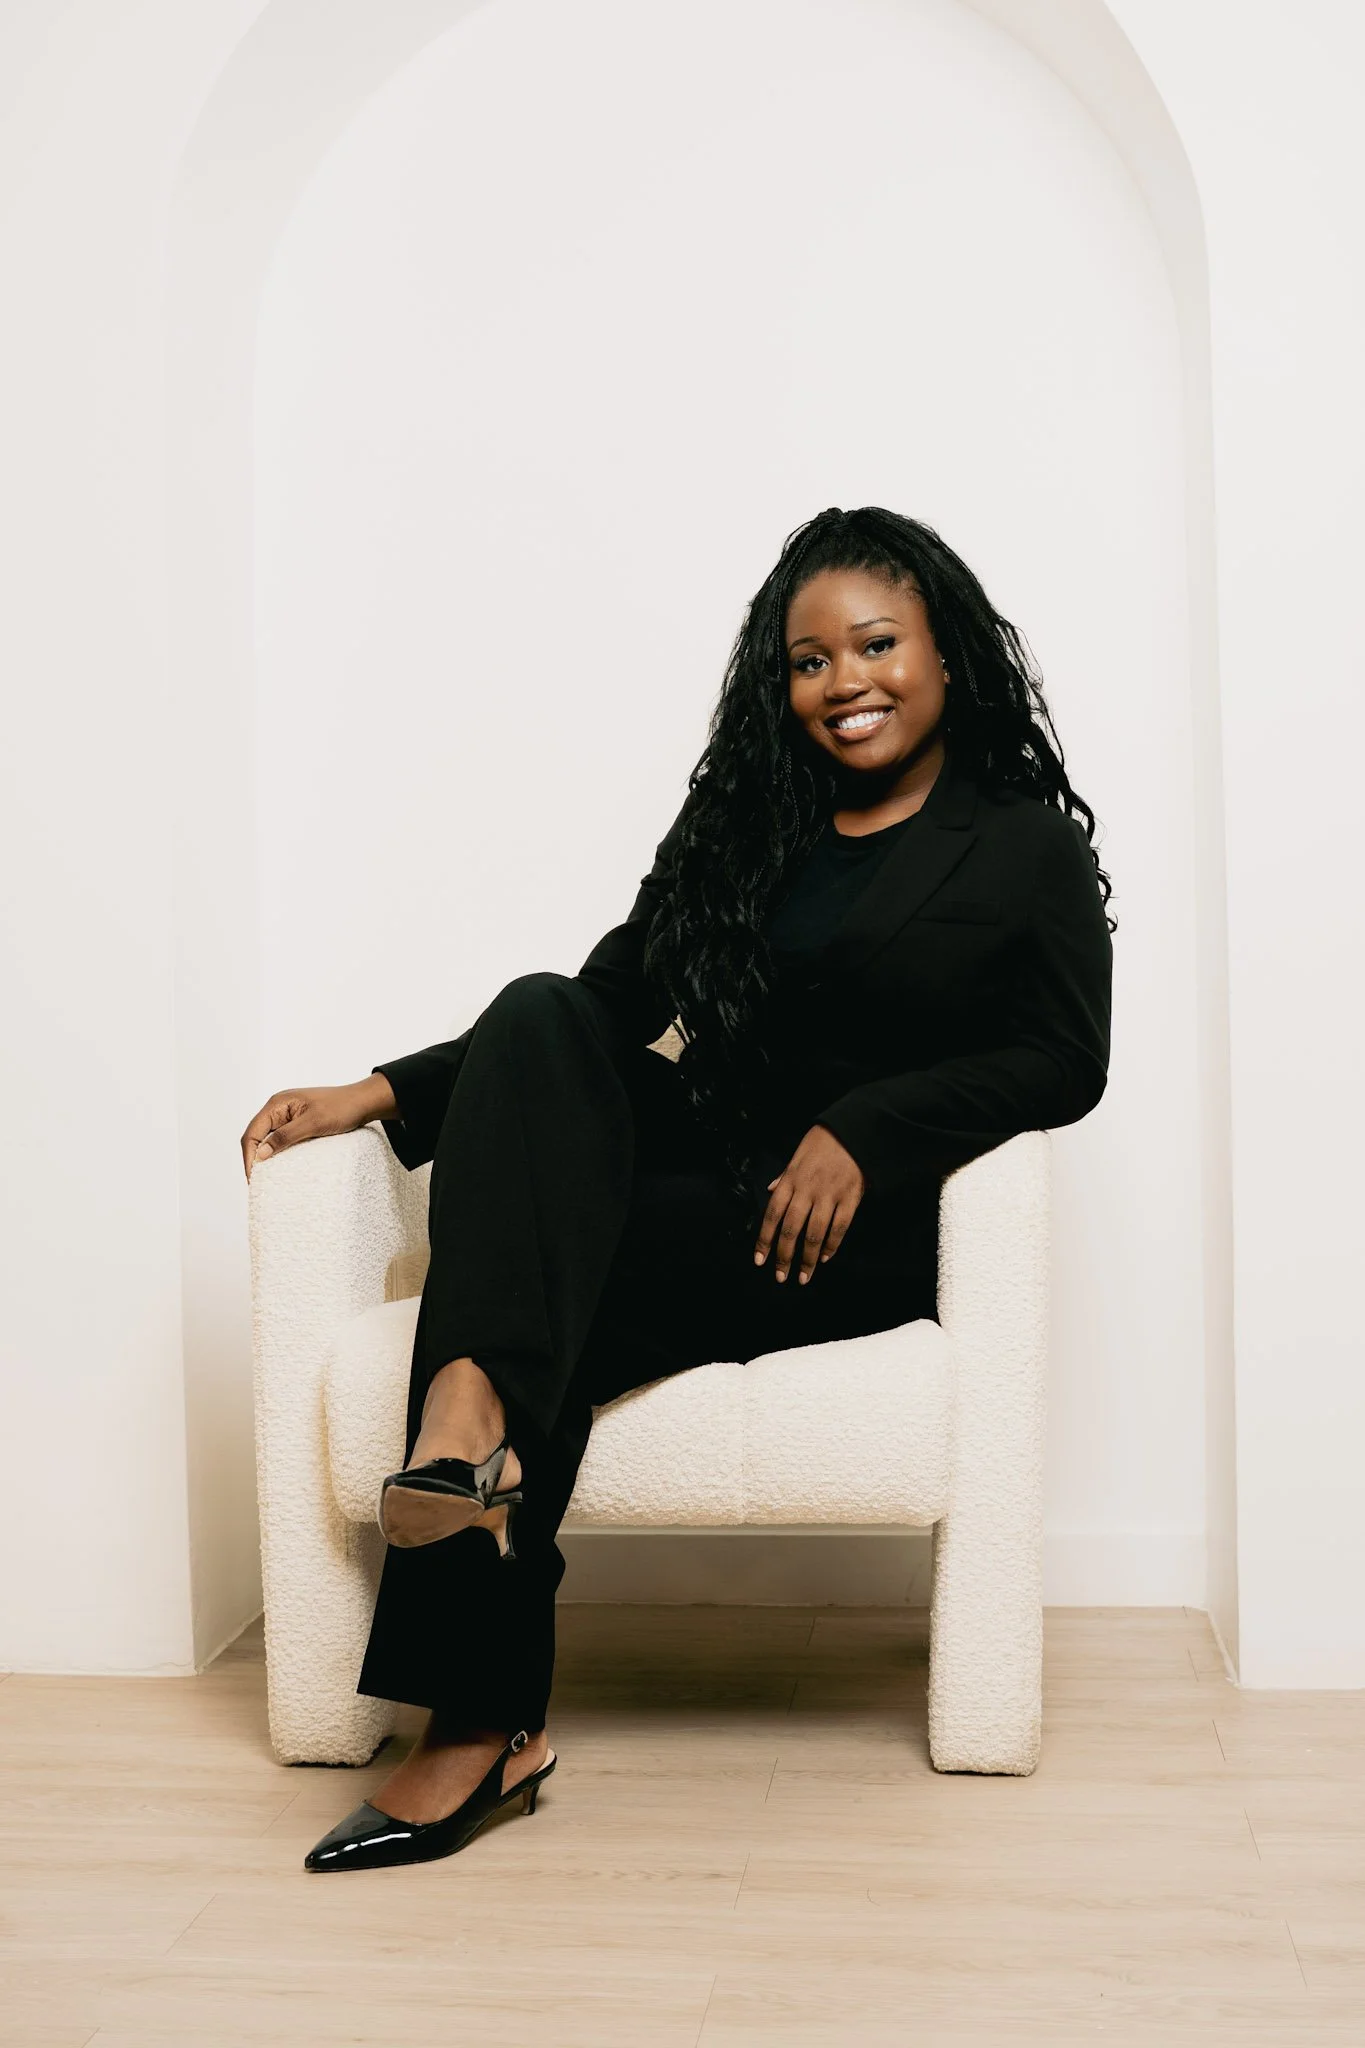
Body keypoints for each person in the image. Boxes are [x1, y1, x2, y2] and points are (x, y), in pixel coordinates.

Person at [240, 506, 1115, 1874]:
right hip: (701, 1158)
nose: (845, 683)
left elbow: (1064, 1058)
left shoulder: (1020, 847)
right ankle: (467, 1419)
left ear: (945, 654)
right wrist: (384, 1094)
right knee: (540, 1009)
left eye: (876, 646)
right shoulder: (746, 824)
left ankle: (475, 1716)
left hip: (840, 1231)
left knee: (538, 1285)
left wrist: (868, 1127)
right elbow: (602, 1010)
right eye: (809, 661)